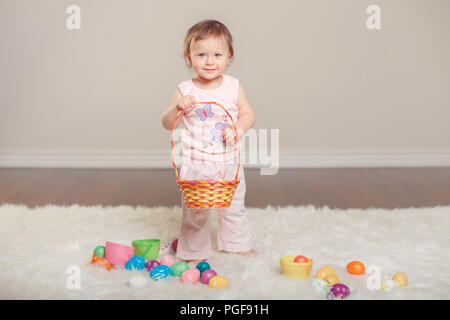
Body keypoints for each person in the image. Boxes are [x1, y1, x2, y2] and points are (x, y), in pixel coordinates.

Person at [161, 19, 256, 263]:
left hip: (229, 161)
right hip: (197, 163)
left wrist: (238, 128)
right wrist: (178, 108)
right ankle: (193, 251)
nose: (210, 61)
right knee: (195, 211)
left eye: (217, 54)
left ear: (229, 56)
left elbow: (248, 113)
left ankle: (237, 244)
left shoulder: (233, 86)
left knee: (234, 206)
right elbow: (166, 122)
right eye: (201, 54)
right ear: (189, 56)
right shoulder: (185, 89)